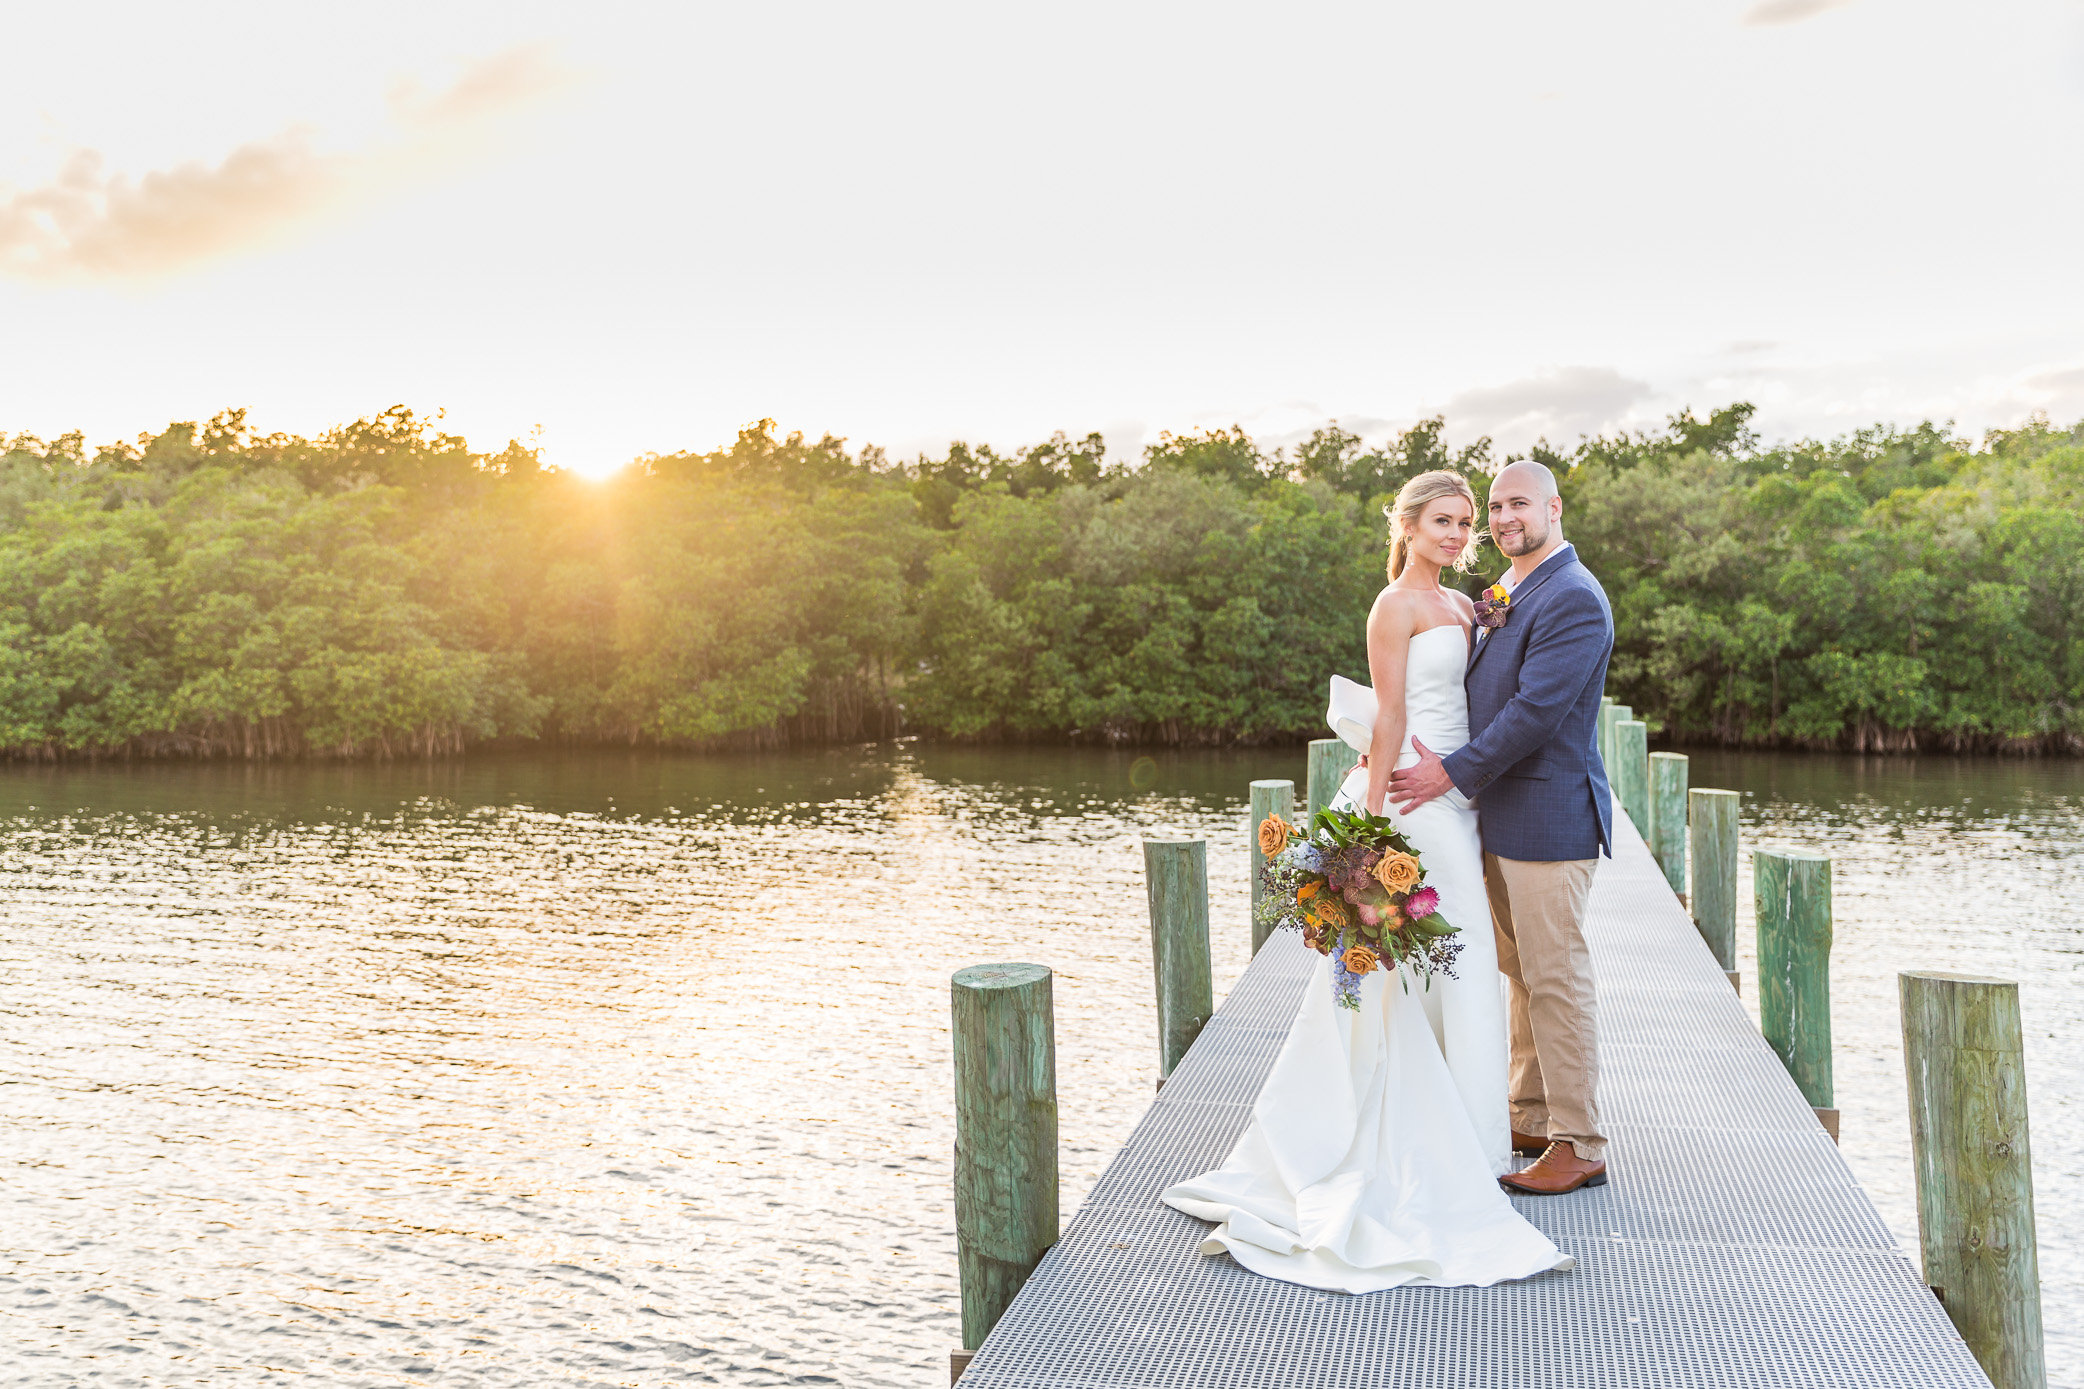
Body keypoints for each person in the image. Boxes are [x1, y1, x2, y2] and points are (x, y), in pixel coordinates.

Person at [1159, 470, 1573, 1291]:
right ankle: (1376, 1139)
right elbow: (1389, 714)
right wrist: (1372, 815)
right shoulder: (1396, 606)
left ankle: (1472, 1136)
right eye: (1444, 522)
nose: (1460, 534)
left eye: (1467, 522)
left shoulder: (1472, 604)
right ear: (1409, 526)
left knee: (1459, 968)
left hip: (1457, 799)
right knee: (1402, 966)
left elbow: (1497, 686)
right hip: (1410, 803)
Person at [1388, 459, 1616, 1195]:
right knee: (1521, 974)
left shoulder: (1573, 596)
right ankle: (1530, 1111)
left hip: (1548, 816)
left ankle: (1578, 1141)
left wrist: (1447, 772)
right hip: (1497, 816)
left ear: (1553, 506)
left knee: (1556, 977)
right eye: (1495, 506)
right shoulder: (1503, 592)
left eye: (1519, 502)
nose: (1504, 516)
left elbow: (1534, 714)